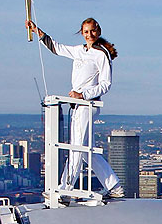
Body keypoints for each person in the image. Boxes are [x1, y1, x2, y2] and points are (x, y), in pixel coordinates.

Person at [26, 17, 124, 198]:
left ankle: (65, 189)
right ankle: (114, 186)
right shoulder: (79, 50)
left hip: (87, 104)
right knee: (87, 151)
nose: (89, 35)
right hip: (78, 105)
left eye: (92, 31)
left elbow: (106, 84)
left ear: (98, 31)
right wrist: (36, 30)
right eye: (86, 32)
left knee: (77, 147)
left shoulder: (101, 54)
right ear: (82, 33)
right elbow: (57, 48)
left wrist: (84, 94)